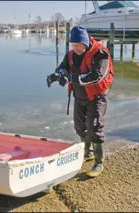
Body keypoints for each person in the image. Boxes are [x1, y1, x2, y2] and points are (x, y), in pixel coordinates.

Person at [46, 26, 114, 177]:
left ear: (85, 42)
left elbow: (96, 76)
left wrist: (70, 78)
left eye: (78, 45)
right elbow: (63, 68)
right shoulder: (71, 54)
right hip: (79, 96)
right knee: (80, 127)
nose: (75, 48)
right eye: (73, 45)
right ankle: (87, 153)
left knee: (94, 128)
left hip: (96, 97)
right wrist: (56, 75)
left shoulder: (100, 53)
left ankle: (98, 163)